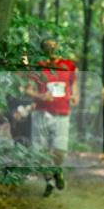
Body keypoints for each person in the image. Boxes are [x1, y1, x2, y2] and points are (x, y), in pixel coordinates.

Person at [26, 39, 78, 197]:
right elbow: (28, 90)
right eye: (48, 46)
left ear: (58, 47)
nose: (52, 48)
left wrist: (75, 96)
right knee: (41, 151)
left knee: (60, 151)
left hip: (62, 112)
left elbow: (74, 84)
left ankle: (57, 171)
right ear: (43, 49)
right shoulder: (38, 67)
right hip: (41, 113)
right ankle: (49, 181)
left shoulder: (68, 65)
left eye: (54, 45)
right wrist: (41, 96)